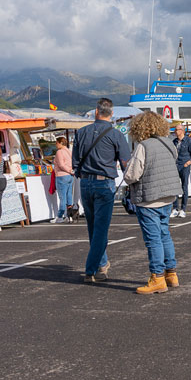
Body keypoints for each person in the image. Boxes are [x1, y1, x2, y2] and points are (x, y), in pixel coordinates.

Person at [122, 111, 184, 295]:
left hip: (149, 198)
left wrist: (126, 173)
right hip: (168, 195)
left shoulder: (143, 146)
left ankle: (157, 277)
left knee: (153, 239)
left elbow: (132, 175)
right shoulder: (168, 143)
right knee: (164, 234)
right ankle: (171, 274)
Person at [73, 98, 131, 283]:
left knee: (92, 227)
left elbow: (75, 162)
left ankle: (102, 264)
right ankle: (92, 269)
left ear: (96, 112)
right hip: (104, 183)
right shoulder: (116, 135)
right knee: (101, 229)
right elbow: (126, 162)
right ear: (111, 114)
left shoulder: (81, 133)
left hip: (85, 182)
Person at [172, 124, 191, 217]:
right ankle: (175, 208)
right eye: (175, 130)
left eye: (177, 130)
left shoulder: (189, 141)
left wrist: (188, 162)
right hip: (175, 166)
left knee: (184, 187)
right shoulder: (174, 141)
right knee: (174, 187)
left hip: (184, 166)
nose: (175, 132)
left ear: (182, 131)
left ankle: (183, 209)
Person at [52, 135, 74, 223]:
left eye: (56, 143)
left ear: (61, 143)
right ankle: (69, 215)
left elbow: (61, 164)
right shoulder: (69, 151)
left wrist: (68, 170)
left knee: (62, 197)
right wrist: (71, 171)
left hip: (62, 176)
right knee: (69, 196)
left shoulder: (59, 152)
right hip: (70, 176)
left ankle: (60, 216)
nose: (56, 145)